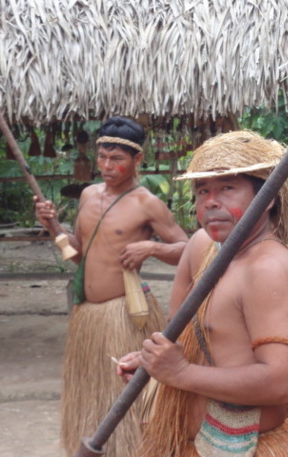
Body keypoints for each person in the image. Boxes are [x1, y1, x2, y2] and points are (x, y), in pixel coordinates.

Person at [117, 130, 288, 457]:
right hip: (193, 442)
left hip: (250, 447)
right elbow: (190, 342)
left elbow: (280, 382)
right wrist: (154, 364)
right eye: (202, 190)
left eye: (227, 188)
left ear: (267, 198)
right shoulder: (203, 249)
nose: (211, 201)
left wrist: (180, 373)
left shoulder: (268, 269)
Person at [34, 116, 188, 457]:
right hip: (88, 316)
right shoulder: (88, 195)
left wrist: (153, 248)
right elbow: (79, 254)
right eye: (102, 157)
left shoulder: (147, 203)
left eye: (116, 159)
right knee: (93, 398)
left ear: (137, 159)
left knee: (132, 397)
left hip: (126, 314)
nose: (106, 166)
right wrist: (52, 224)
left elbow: (190, 249)